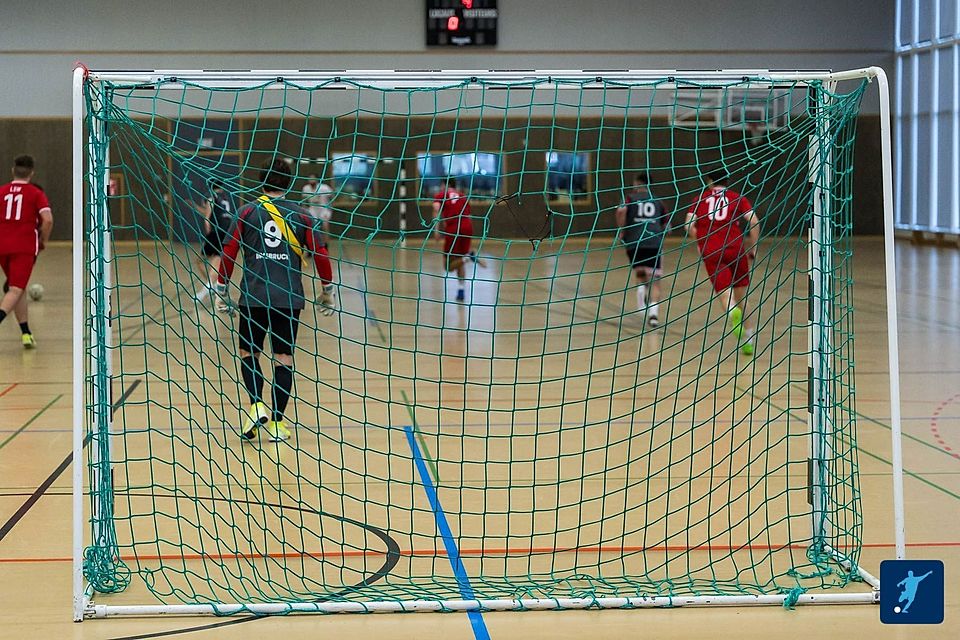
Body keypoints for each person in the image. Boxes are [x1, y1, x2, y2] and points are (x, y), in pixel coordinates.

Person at [215, 158, 337, 442]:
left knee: (249, 353)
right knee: (283, 359)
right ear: (289, 182)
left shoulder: (246, 211)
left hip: (253, 297)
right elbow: (320, 253)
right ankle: (278, 425)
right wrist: (327, 290)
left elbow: (230, 250)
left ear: (261, 180)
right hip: (288, 298)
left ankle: (257, 404)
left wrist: (222, 289)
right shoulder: (303, 215)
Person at [685, 170, 760, 356]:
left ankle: (732, 311)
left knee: (726, 296)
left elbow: (688, 225)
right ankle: (749, 337)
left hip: (711, 251)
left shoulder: (700, 199)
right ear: (727, 181)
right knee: (742, 295)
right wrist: (754, 247)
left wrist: (699, 240)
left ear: (710, 182)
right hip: (735, 248)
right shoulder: (737, 197)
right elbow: (754, 221)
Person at [0, 156, 53, 348]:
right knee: (15, 289)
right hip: (23, 247)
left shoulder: (2, 191)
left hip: (2, 245)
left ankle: (26, 333)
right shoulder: (35, 193)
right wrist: (43, 240)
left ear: (13, 170)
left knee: (17, 288)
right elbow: (47, 219)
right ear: (31, 172)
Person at [616, 173, 669, 327]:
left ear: (637, 183)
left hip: (634, 241)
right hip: (653, 242)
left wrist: (622, 229)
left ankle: (640, 292)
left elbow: (620, 211)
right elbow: (667, 225)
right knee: (655, 279)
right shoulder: (658, 201)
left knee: (640, 271)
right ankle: (653, 315)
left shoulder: (630, 198)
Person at [432, 176, 475, 302]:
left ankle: (467, 257)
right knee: (460, 259)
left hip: (453, 228)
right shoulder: (462, 196)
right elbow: (469, 215)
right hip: (467, 227)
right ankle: (461, 290)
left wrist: (436, 230)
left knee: (448, 265)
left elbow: (436, 209)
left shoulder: (441, 194)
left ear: (444, 185)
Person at [194, 178, 235, 300]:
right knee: (217, 259)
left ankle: (208, 287)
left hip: (217, 231)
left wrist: (207, 223)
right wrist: (196, 207)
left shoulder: (211, 195)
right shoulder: (225, 197)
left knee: (202, 261)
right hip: (227, 231)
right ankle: (212, 286)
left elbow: (208, 212)